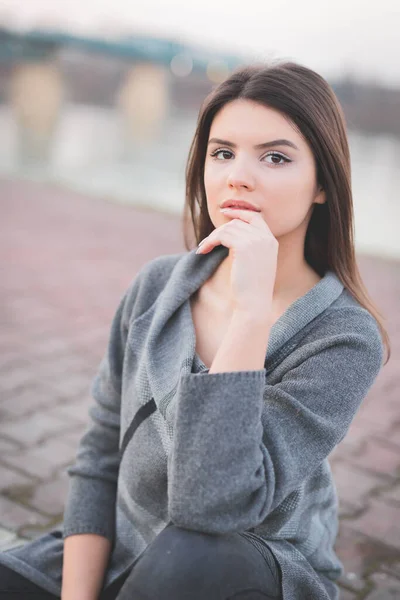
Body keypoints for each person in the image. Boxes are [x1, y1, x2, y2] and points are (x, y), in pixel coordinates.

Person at [0, 60, 390, 600]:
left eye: (275, 157)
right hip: (125, 553)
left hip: (242, 568)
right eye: (222, 152)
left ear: (323, 183)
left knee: (189, 552)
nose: (238, 176)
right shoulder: (157, 285)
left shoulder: (344, 337)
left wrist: (251, 312)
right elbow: (98, 457)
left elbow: (211, 506)